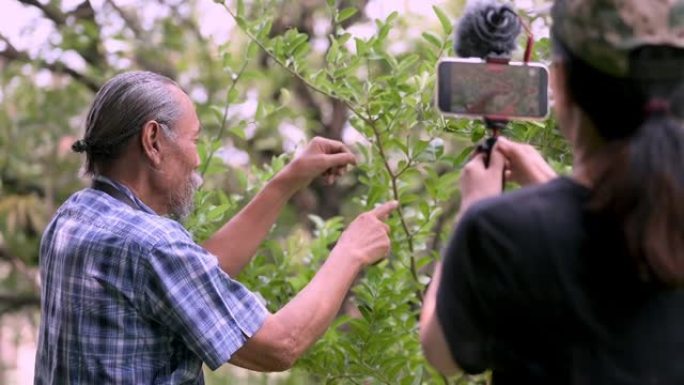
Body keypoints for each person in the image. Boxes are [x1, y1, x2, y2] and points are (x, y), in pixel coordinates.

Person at [34, 71, 398, 384]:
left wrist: (288, 180)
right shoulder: (152, 246)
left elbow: (186, 280)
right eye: (194, 140)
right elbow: (280, 345)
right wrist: (351, 251)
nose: (197, 160)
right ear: (153, 141)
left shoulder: (73, 217)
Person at [420, 0, 684, 384]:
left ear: (558, 82)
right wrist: (549, 186)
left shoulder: (501, 233)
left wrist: (473, 206)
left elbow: (442, 353)